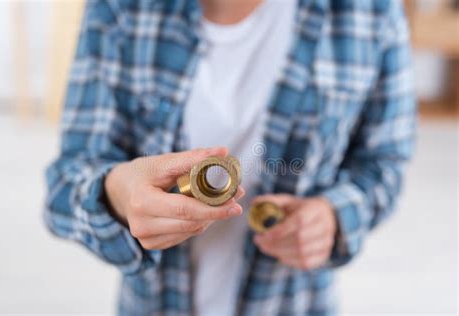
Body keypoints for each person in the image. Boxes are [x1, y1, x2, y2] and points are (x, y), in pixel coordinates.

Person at [44, 0, 416, 315]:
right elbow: (67, 181)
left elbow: (386, 162)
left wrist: (334, 216)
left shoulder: (371, 12)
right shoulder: (120, 8)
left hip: (294, 301)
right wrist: (118, 195)